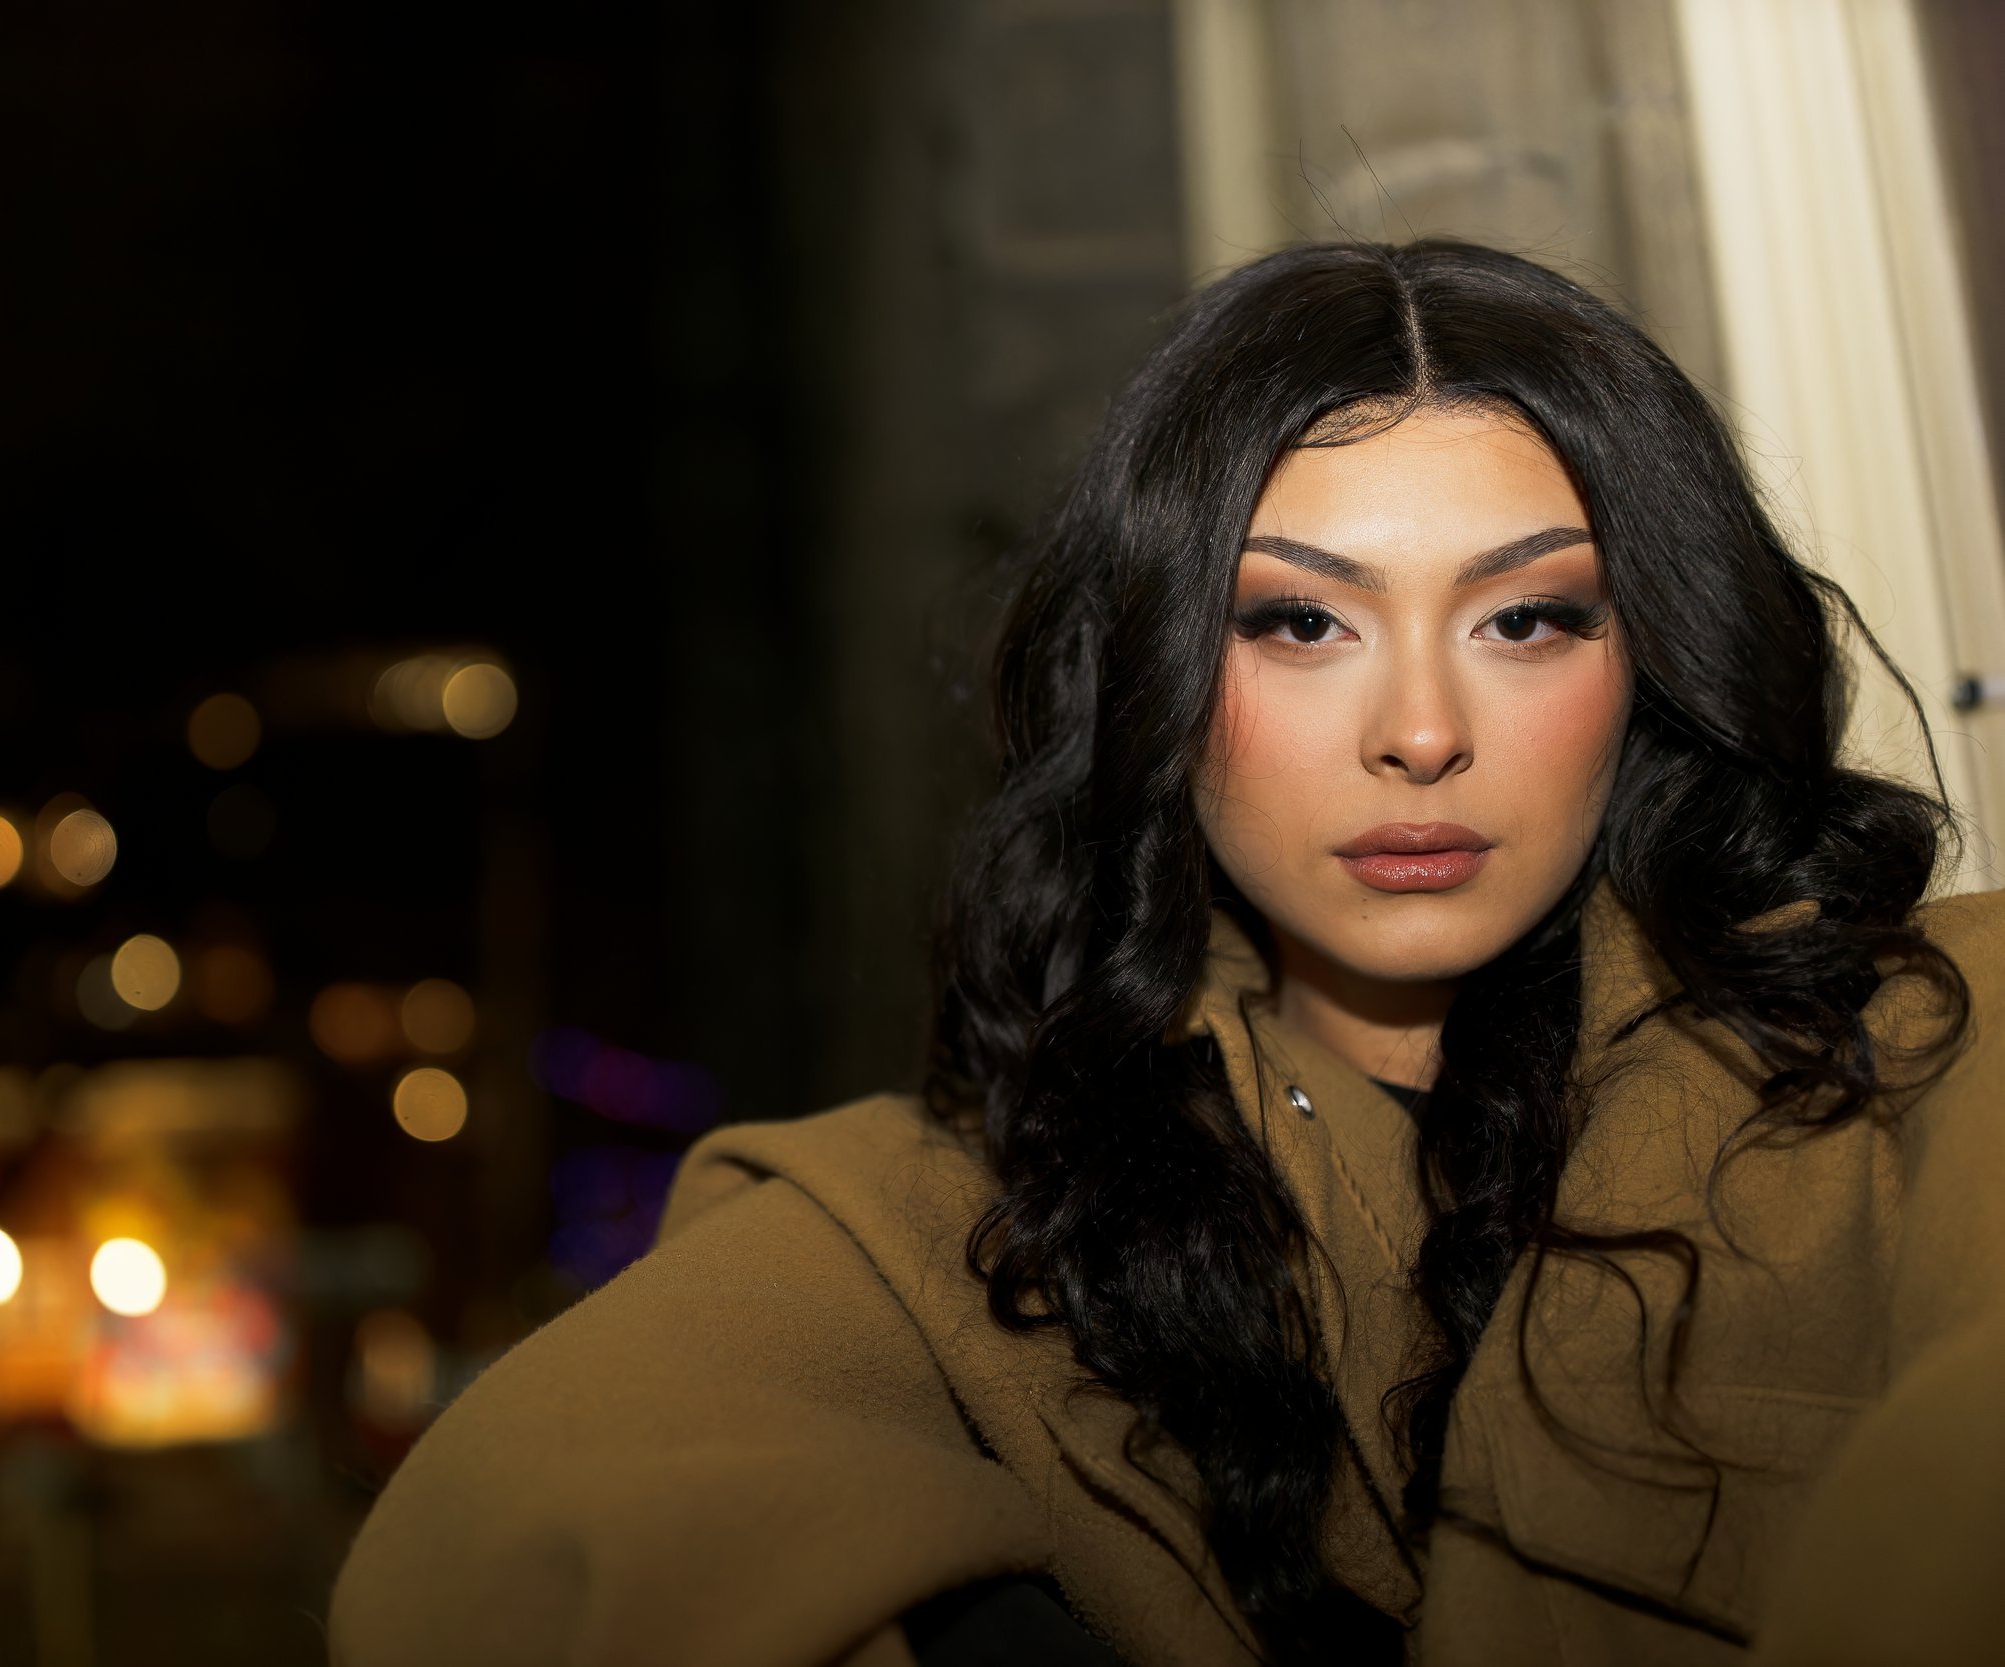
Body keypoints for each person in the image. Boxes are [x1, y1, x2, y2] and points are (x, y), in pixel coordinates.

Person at [325, 239, 2005, 1667]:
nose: (1419, 730)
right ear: (1155, 687)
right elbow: (496, 1557)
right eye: (1297, 622)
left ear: (1652, 662)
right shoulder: (954, 1230)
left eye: (1526, 617)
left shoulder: (1936, 1052)